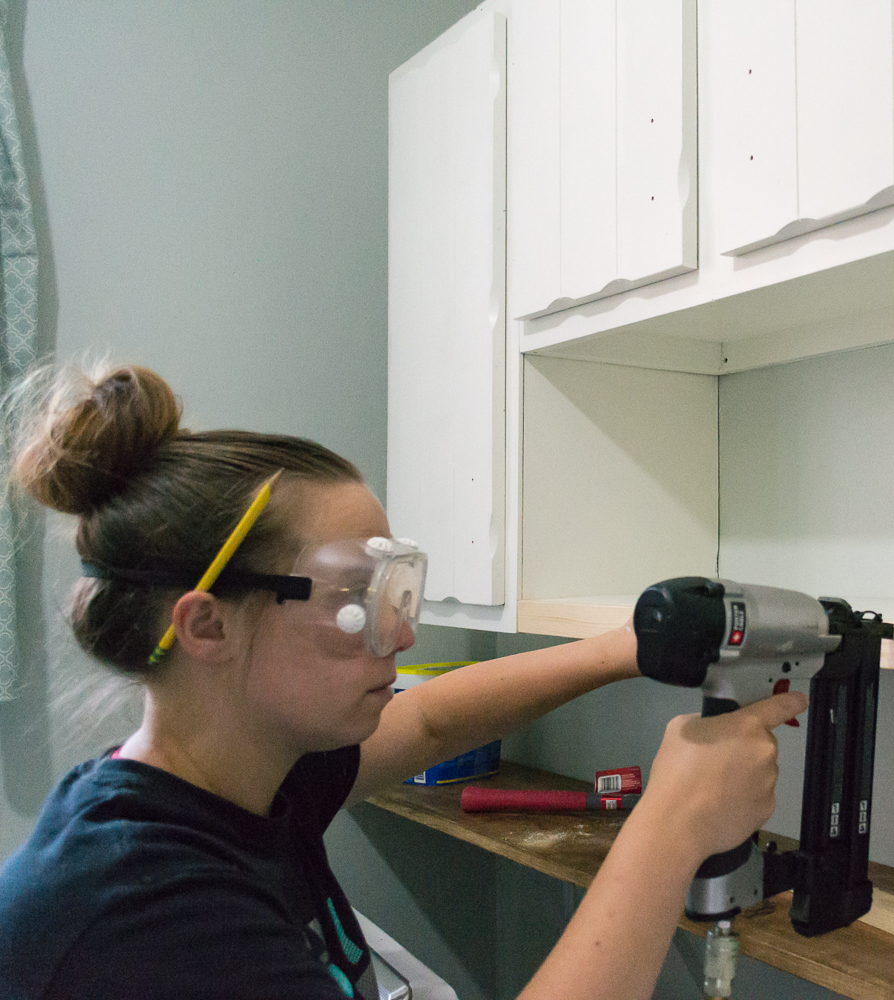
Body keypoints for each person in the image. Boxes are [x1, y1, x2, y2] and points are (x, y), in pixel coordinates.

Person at [0, 363, 806, 999]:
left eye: (397, 590)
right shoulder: (146, 914)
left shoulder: (229, 779)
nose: (404, 631)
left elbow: (426, 725)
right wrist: (672, 825)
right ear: (205, 624)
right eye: (359, 598)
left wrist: (628, 648)